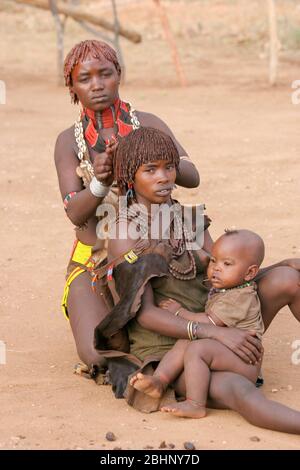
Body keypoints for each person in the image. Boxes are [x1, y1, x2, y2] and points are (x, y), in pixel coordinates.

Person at [93, 126, 300, 434]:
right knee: (237, 390)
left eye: (169, 167)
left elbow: (226, 276)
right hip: (171, 351)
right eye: (150, 170)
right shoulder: (124, 233)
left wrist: (280, 265)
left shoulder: (189, 218)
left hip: (217, 324)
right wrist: (214, 334)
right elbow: (147, 315)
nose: (164, 177)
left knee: (289, 278)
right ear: (129, 177)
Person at [54, 39, 200, 369]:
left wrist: (143, 160)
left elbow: (192, 175)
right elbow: (75, 213)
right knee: (97, 354)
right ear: (72, 86)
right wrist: (100, 180)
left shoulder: (147, 123)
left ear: (118, 74)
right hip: (95, 260)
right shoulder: (68, 141)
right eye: (85, 78)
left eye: (105, 74)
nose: (97, 85)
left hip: (160, 246)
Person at [130, 229, 266, 418]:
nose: (216, 268)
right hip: (227, 349)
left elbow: (210, 322)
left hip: (245, 359)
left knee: (197, 349)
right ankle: (160, 380)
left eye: (227, 264)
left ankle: (195, 403)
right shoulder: (229, 288)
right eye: (213, 261)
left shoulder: (240, 297)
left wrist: (179, 312)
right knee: (187, 339)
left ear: (250, 272)